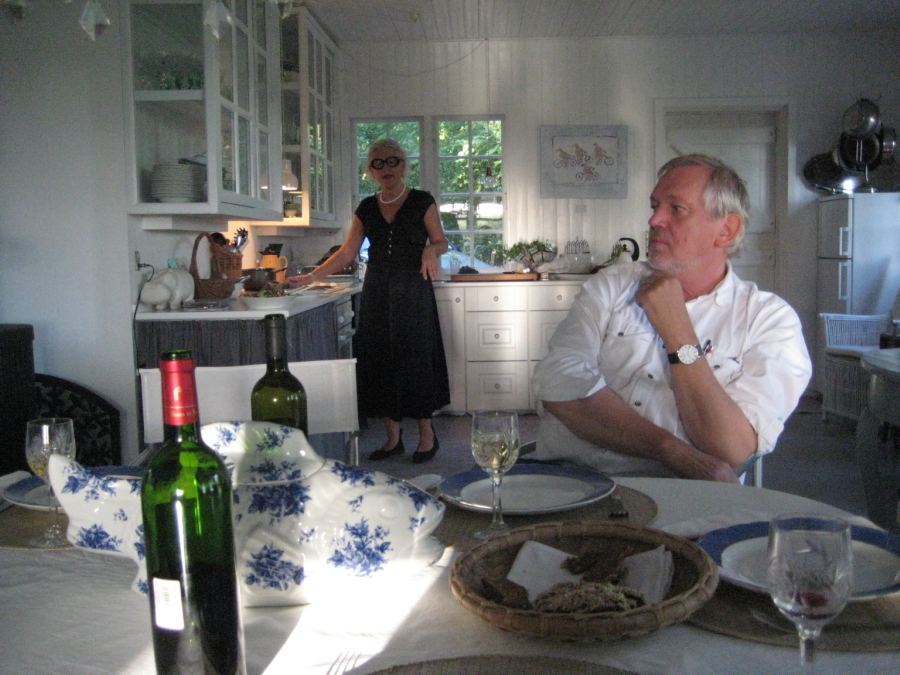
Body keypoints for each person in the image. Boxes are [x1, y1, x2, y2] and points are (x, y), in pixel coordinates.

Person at [530, 154, 812, 482]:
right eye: (655, 206)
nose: (654, 220)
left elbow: (732, 448)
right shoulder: (612, 285)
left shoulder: (769, 320)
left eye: (676, 209)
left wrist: (677, 332)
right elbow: (558, 382)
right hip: (573, 483)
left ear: (726, 230)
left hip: (684, 497)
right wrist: (671, 450)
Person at [287, 138, 450, 463]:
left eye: (392, 161)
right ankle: (393, 438)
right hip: (377, 292)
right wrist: (312, 277)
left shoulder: (422, 201)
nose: (385, 168)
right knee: (381, 359)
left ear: (402, 165)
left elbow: (441, 241)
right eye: (378, 163)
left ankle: (427, 436)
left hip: (413, 290)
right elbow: (347, 252)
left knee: (415, 359)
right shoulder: (366, 207)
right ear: (371, 171)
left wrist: (430, 249)